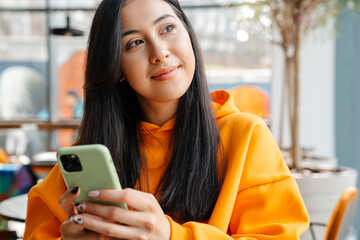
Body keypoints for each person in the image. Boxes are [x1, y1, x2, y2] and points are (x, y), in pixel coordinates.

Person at [24, 0, 309, 239]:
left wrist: (171, 235)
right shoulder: (85, 162)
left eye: (168, 28)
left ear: (189, 34)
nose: (160, 52)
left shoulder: (247, 137)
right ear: (117, 67)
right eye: (134, 42)